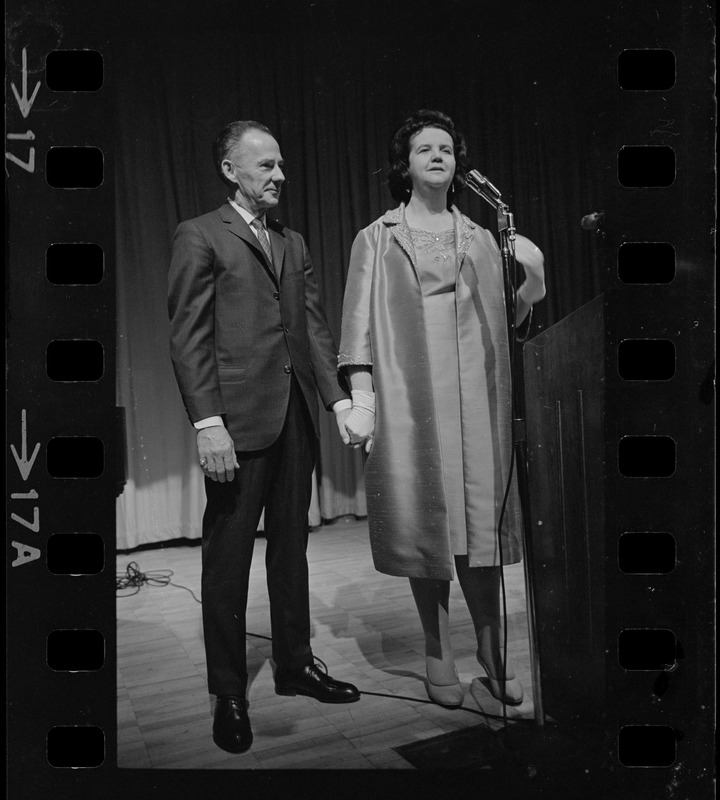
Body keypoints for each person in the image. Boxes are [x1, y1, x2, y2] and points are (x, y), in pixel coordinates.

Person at [339, 110, 546, 709]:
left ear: (458, 165)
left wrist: (530, 283)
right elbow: (356, 326)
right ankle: (437, 648)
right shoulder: (377, 236)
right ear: (403, 164)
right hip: (410, 397)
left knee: (478, 520)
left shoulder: (482, 237)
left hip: (474, 397)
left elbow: (509, 324)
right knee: (428, 523)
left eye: (447, 148)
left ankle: (489, 645)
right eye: (424, 148)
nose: (437, 155)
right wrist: (362, 401)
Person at [168, 120, 360, 755]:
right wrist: (207, 423)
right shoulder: (199, 235)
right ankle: (228, 689)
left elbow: (312, 327)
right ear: (231, 170)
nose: (279, 176)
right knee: (226, 561)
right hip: (237, 426)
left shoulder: (291, 241)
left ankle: (295, 664)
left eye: (281, 166)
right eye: (266, 166)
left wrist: (338, 401)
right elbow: (188, 337)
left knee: (291, 550)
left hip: (295, 418)